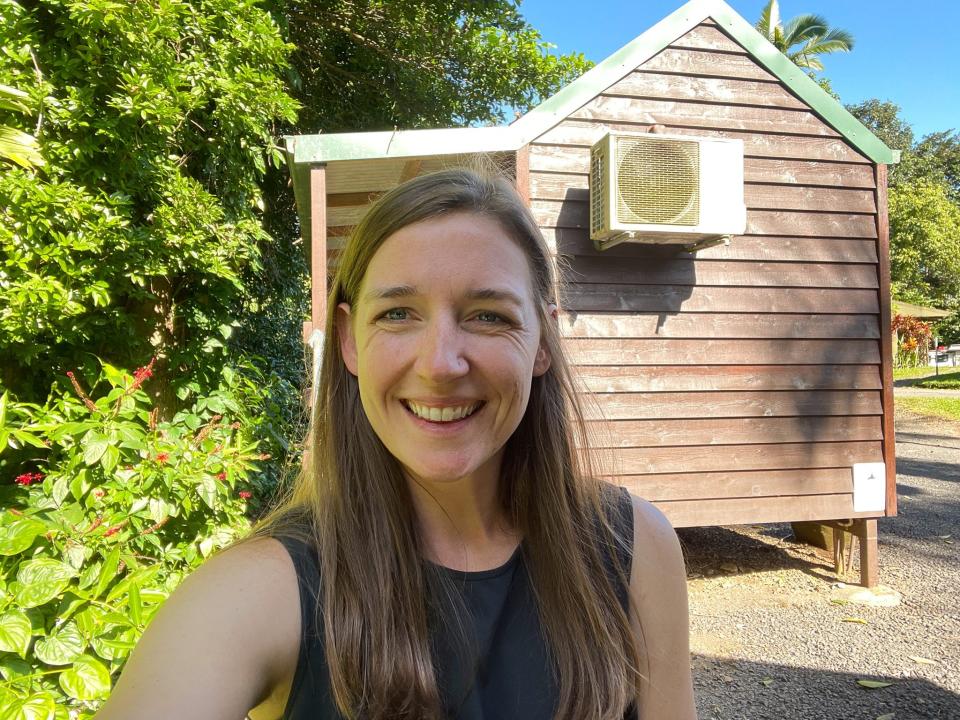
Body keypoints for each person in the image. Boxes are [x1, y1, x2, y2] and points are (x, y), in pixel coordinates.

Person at [94, 168, 696, 720]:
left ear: (542, 342)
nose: (440, 364)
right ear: (350, 343)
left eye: (488, 316)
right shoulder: (266, 590)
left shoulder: (635, 547)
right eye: (398, 314)